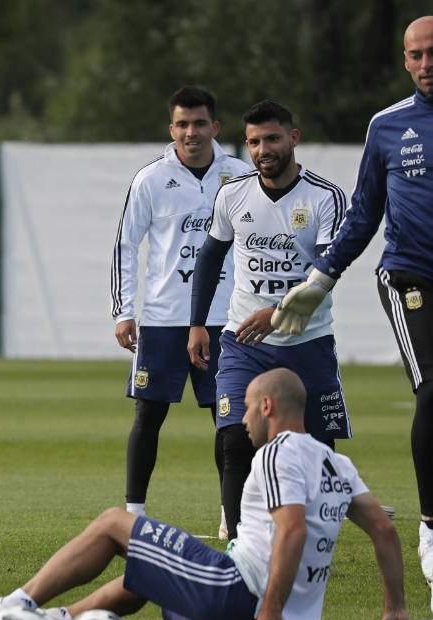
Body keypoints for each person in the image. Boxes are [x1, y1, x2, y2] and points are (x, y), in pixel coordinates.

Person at [272, 16, 433, 615]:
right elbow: (363, 214)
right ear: (404, 61)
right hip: (407, 274)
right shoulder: (385, 126)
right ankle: (430, 526)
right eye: (415, 55)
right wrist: (320, 276)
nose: (426, 63)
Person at [0, 369, 411, 620]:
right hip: (265, 606)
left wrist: (269, 617)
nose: (243, 419)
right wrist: (394, 610)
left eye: (248, 408)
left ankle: (12, 605)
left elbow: (291, 531)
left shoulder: (277, 453)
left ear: (267, 406)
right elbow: (384, 531)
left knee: (114, 522)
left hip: (238, 596)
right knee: (148, 569)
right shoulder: (336, 463)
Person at [187, 100, 351, 541]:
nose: (264, 149)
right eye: (255, 141)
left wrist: (278, 313)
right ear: (246, 145)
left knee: (316, 446)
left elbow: (329, 271)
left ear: (293, 138)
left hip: (307, 341)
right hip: (243, 339)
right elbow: (209, 256)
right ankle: (241, 541)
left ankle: (318, 534)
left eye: (273, 138)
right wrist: (197, 323)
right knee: (235, 437)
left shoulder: (325, 197)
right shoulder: (232, 194)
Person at [109, 86, 248, 536]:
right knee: (148, 416)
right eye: (183, 124)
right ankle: (134, 513)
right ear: (171, 129)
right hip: (163, 319)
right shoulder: (150, 179)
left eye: (200, 123)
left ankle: (233, 515)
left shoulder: (240, 176)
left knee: (229, 421)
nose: (191, 132)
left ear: (216, 127)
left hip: (227, 316)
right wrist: (123, 311)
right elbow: (126, 245)